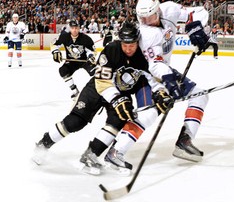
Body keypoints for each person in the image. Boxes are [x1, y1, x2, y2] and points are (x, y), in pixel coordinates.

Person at [33, 22, 172, 176]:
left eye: (131, 44)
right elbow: (102, 81)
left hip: (121, 93)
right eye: (125, 44)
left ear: (137, 41)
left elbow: (151, 77)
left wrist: (160, 92)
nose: (128, 48)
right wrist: (117, 99)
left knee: (117, 121)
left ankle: (90, 155)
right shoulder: (112, 49)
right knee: (75, 122)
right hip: (98, 89)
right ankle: (42, 145)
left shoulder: (143, 55)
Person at [102, 0, 210, 169]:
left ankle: (185, 140)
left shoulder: (170, 9)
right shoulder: (145, 33)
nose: (147, 21)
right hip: (146, 75)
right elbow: (154, 65)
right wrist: (169, 80)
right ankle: (116, 151)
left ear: (158, 11)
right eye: (142, 18)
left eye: (150, 17)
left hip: (165, 70)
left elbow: (199, 12)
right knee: (150, 112)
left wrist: (195, 27)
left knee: (200, 95)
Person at [51, 19, 97, 99]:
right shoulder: (64, 36)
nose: (74, 30)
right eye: (73, 28)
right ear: (70, 28)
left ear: (79, 28)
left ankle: (97, 91)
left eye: (76, 28)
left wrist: (90, 56)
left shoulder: (86, 38)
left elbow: (91, 50)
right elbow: (54, 45)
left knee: (96, 72)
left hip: (84, 61)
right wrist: (55, 52)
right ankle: (75, 90)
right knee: (63, 70)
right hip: (71, 61)